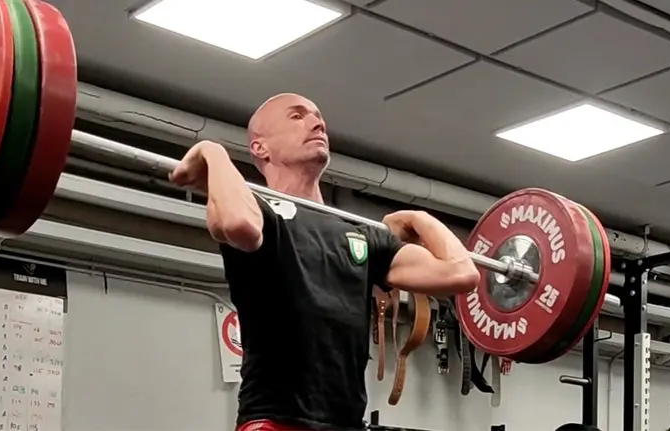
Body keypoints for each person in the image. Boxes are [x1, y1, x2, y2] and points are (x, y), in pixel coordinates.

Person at [169, 93, 480, 431]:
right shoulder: (259, 212)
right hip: (277, 421)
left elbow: (461, 273)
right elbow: (238, 226)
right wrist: (212, 152)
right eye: (297, 116)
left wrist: (419, 218)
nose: (318, 123)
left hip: (345, 423)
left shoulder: (362, 235)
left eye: (318, 117)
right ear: (260, 148)